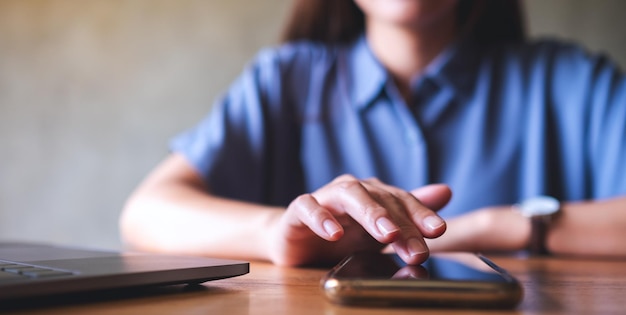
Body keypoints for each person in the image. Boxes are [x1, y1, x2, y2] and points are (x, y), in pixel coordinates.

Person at [119, 0, 626, 266]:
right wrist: (279, 235)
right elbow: (146, 213)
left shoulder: (575, 82)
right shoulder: (285, 81)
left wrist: (497, 226)